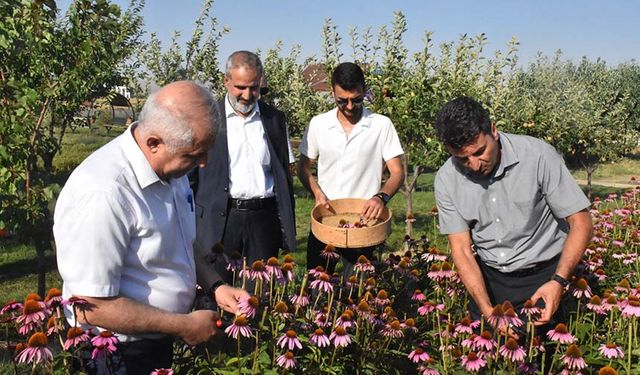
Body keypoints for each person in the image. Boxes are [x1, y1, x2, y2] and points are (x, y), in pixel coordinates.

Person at [54, 81, 249, 374]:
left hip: (156, 341)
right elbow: (90, 304)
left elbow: (180, 239)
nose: (204, 163)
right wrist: (183, 325)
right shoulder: (104, 193)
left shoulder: (170, 167)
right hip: (114, 353)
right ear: (154, 142)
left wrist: (215, 285)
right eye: (195, 155)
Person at [433, 96, 592, 330]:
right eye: (462, 159)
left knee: (544, 360)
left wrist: (559, 280)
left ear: (494, 131)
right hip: (489, 281)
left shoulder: (538, 156)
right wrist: (487, 310)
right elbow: (462, 250)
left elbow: (581, 222)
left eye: (479, 152)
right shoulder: (446, 179)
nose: (474, 165)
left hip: (547, 276)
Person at [194, 51, 295, 277]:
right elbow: (191, 177)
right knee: (216, 288)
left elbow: (283, 175)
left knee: (259, 291)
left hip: (263, 219)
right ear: (226, 81)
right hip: (221, 218)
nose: (248, 95)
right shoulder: (207, 119)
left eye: (254, 87)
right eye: (240, 87)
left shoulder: (274, 119)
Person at [298, 62, 404, 273]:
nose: (349, 106)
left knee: (359, 294)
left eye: (356, 100)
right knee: (317, 290)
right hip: (326, 219)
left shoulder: (381, 125)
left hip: (365, 224)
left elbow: (397, 172)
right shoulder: (319, 124)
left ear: (365, 90)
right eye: (342, 101)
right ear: (332, 92)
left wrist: (381, 197)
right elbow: (303, 168)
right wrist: (316, 192)